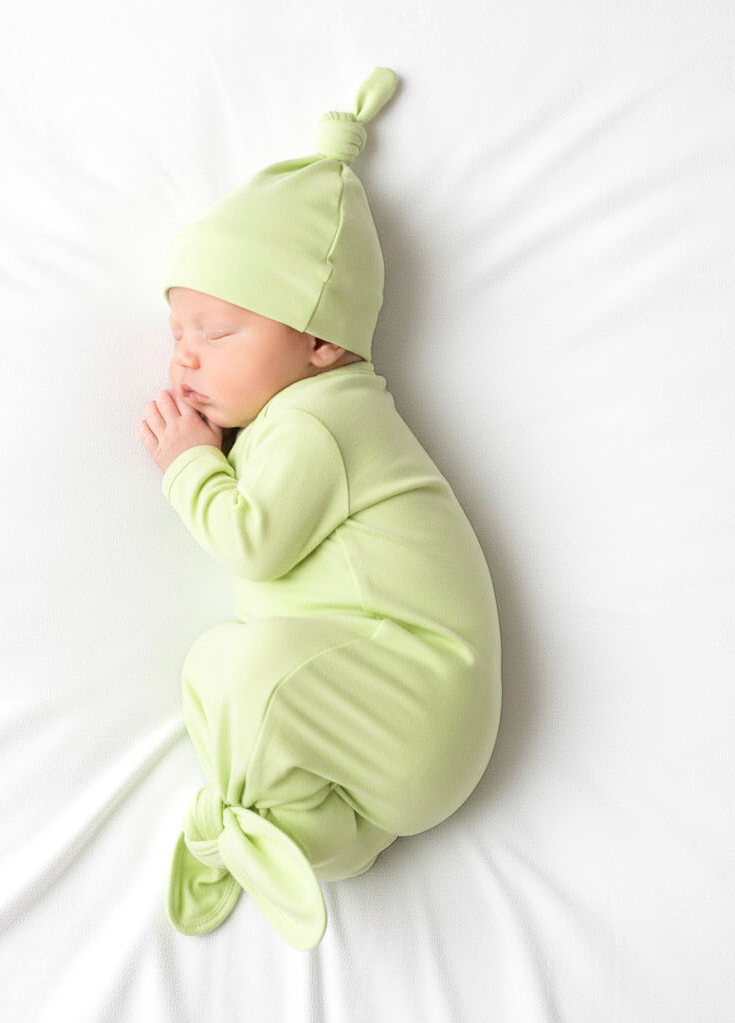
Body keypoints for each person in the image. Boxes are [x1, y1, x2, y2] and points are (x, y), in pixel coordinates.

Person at [139, 68, 501, 949]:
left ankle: (250, 821)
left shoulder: (324, 424)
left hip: (418, 691)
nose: (185, 360)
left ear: (319, 342)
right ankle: (304, 834)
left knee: (239, 676)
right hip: (393, 743)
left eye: (216, 334)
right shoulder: (292, 420)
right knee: (213, 674)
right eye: (178, 334)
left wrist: (191, 465)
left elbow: (254, 546)